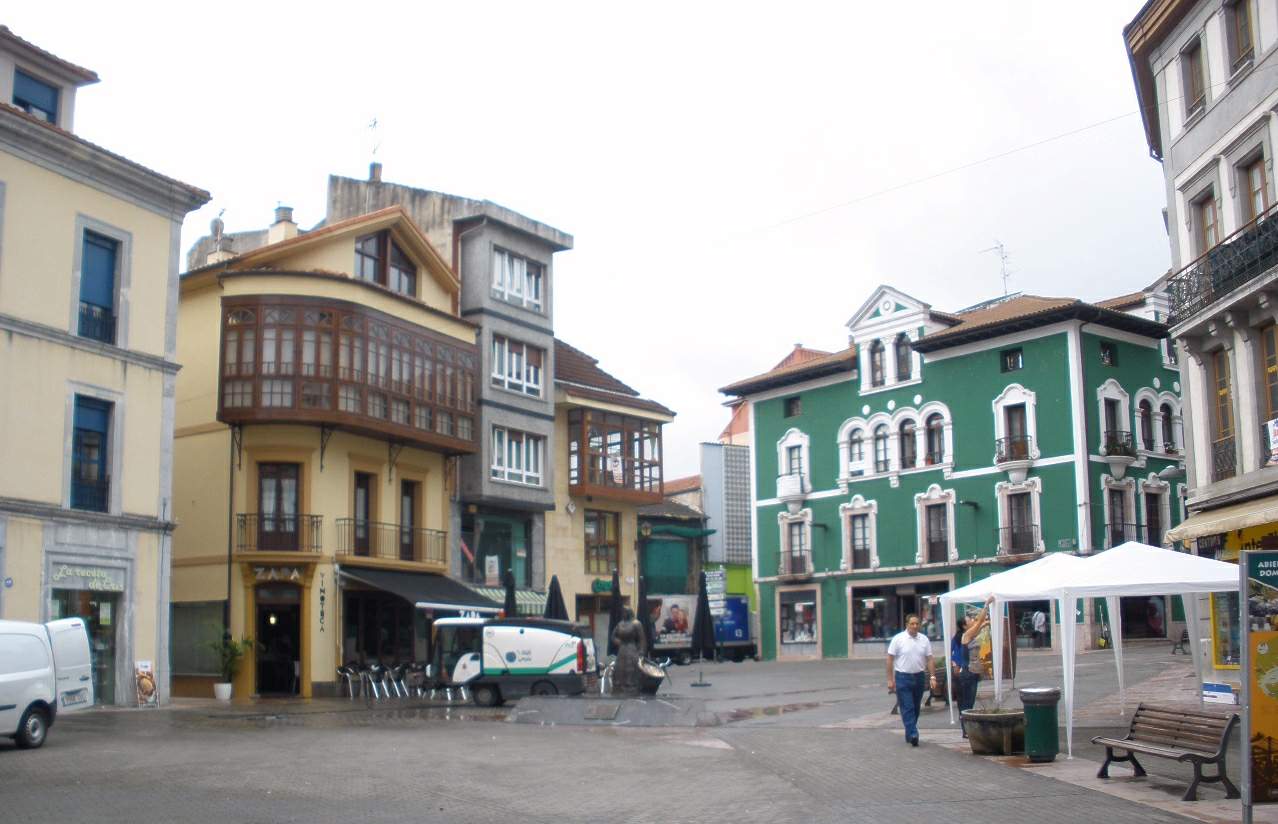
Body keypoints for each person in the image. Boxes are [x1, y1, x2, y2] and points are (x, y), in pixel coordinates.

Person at [886, 613, 936, 746]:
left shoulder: (924, 639)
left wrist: (932, 676)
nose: (915, 626)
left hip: (919, 677)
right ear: (907, 624)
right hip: (903, 677)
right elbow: (890, 659)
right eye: (912, 624)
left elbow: (929, 659)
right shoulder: (898, 639)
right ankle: (914, 733)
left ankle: (910, 732)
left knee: (916, 707)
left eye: (917, 624)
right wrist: (890, 679)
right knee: (907, 706)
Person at [952, 596, 994, 733]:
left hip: (973, 673)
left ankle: (967, 728)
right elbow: (980, 621)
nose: (971, 620)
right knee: (967, 702)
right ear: (965, 626)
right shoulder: (966, 635)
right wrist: (986, 604)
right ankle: (966, 729)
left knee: (969, 702)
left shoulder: (970, 633)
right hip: (968, 673)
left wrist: (986, 623)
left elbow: (980, 624)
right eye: (969, 620)